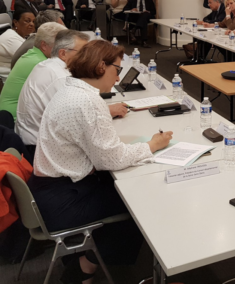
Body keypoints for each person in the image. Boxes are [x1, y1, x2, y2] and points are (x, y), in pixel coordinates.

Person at [29, 40, 172, 283]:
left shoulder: (71, 89)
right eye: (117, 69)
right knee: (142, 202)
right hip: (63, 201)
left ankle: (82, 256)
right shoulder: (88, 101)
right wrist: (152, 145)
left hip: (48, 189)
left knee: (122, 185)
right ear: (101, 67)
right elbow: (111, 159)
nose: (118, 78)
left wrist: (107, 113)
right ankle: (84, 267)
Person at [15, 31, 97, 156]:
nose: (88, 57)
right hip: (38, 148)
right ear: (63, 54)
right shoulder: (60, 77)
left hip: (33, 140)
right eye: (83, 53)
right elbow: (76, 121)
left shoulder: (48, 65)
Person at [0, 22, 66, 120]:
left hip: (14, 115)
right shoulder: (41, 64)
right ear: (44, 45)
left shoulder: (34, 54)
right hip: (14, 119)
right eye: (60, 45)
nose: (64, 49)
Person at [0, 9, 35, 82]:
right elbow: (30, 60)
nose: (32, 24)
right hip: (8, 79)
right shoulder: (10, 39)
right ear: (16, 22)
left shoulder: (24, 35)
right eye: (27, 21)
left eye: (33, 21)